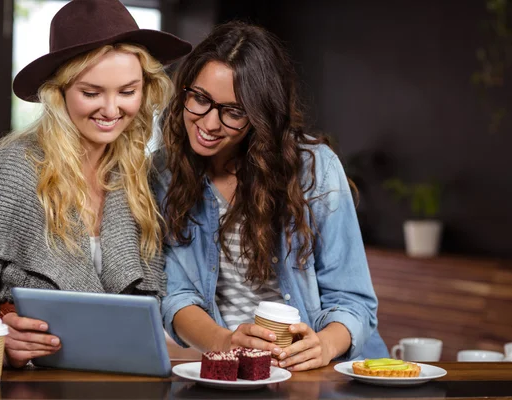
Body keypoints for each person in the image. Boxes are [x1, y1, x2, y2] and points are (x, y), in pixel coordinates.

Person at [0, 0, 191, 368]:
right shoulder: (14, 168)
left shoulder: (141, 175)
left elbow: (153, 307)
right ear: (59, 92)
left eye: (127, 91)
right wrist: (2, 338)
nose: (111, 109)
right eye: (91, 93)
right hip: (33, 383)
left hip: (124, 380)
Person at [154, 21, 389, 372]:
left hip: (319, 371)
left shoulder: (314, 169)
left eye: (233, 112)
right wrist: (224, 342)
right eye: (200, 99)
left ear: (260, 116)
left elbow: (354, 300)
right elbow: (175, 296)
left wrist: (323, 345)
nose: (209, 123)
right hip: (229, 370)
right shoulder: (164, 173)